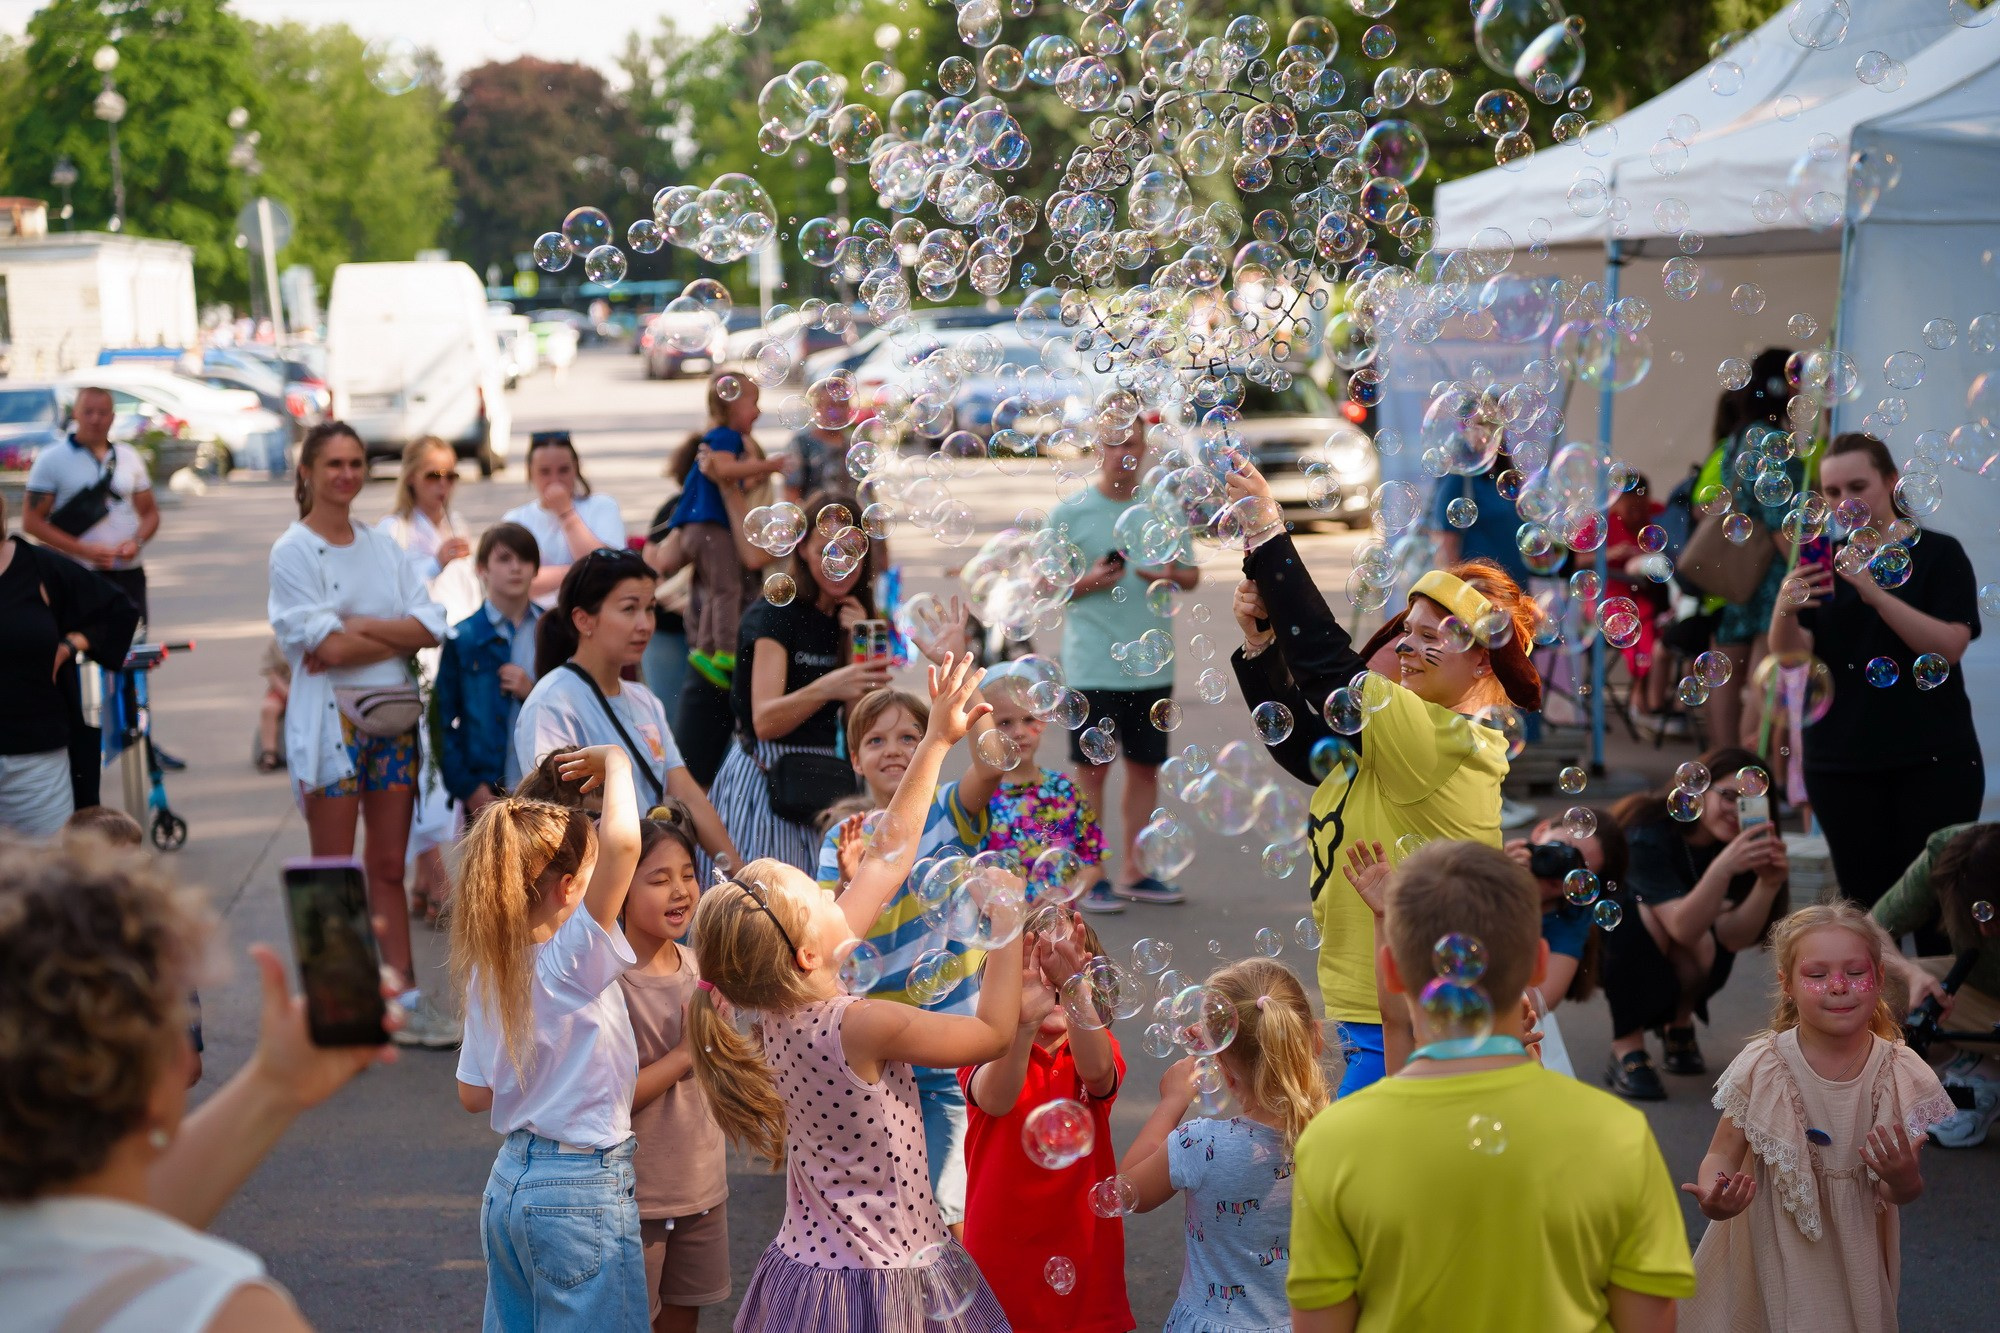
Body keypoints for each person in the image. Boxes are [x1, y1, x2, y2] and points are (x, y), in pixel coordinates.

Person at [1286, 840, 1695, 1332]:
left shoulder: (1333, 1142)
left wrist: (1382, 921)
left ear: (1392, 970)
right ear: (1539, 962)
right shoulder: (1619, 1133)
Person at [1227, 461, 1542, 1094]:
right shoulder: (1403, 734)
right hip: (1376, 1001)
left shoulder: (1446, 741)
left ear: (1481, 658)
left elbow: (1327, 665)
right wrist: (1261, 648)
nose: (1404, 647)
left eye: (1431, 637)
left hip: (1414, 1014)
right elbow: (1307, 749)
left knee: (1349, 1178)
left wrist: (1268, 533)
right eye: (1406, 632)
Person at [0, 838, 398, 1332]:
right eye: (180, 1014)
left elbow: (106, 1225)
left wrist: (275, 1084)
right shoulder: (222, 1313)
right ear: (155, 1072)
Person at [1678, 903, 1954, 1332]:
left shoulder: (1895, 1072)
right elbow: (1722, 1152)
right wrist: (1718, 1192)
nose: (1838, 986)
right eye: (1817, 974)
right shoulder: (1763, 1066)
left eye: (1855, 972)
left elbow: (1896, 1191)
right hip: (1772, 1242)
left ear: (1879, 979)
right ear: (1786, 985)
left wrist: (1903, 1178)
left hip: (1854, 1251)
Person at [267, 422, 451, 1046]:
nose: (346, 474)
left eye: (354, 463)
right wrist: (376, 632)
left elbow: (429, 625)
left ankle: (403, 995)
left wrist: (358, 625)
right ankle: (341, 1009)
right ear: (309, 473)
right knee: (333, 867)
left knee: (387, 867)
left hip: (392, 722)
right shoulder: (292, 551)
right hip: (331, 729)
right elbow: (327, 645)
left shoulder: (381, 547)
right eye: (334, 464)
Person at [451, 745, 648, 1329]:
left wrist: (540, 1077)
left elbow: (473, 1093)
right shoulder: (570, 960)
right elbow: (625, 845)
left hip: (511, 1181)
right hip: (579, 1189)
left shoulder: (494, 966)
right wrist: (616, 763)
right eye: (589, 883)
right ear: (566, 889)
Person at [815, 661, 1001, 1238]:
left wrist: (966, 695)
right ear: (854, 760)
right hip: (877, 1050)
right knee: (886, 1203)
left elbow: (993, 765)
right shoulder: (839, 839)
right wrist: (850, 881)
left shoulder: (949, 810)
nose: (892, 749)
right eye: (875, 740)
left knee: (948, 1208)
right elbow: (825, 946)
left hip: (949, 1042)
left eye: (909, 737)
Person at [1770, 431, 1984, 909]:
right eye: (1832, 492)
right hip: (1844, 760)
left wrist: (1874, 592)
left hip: (1933, 758)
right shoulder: (1822, 561)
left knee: (1938, 908)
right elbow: (1791, 657)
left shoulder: (1938, 554)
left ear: (1890, 481)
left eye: (1857, 486)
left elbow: (1949, 647)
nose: (1845, 501)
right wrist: (1783, 608)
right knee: (1864, 909)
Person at [1121, 957, 1329, 1333]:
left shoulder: (1199, 1144)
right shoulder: (1336, 1139)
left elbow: (1128, 1190)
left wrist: (1172, 1101)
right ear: (1315, 1038)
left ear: (1223, 1072)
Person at [959, 910, 1129, 1333]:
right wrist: (1023, 1025)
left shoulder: (1094, 1046)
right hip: (1001, 1255)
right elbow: (996, 1100)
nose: (1049, 986)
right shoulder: (983, 1048)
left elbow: (1098, 1074)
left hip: (1085, 1255)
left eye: (1065, 976)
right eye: (1034, 972)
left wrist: (1074, 993)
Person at [514, 549, 739, 867]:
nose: (645, 624)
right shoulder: (553, 704)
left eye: (650, 608)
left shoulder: (645, 700)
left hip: (650, 884)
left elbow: (687, 794)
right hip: (597, 893)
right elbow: (555, 821)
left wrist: (738, 873)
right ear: (583, 619)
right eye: (629, 608)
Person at [707, 490, 890, 870]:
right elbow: (765, 721)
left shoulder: (853, 616)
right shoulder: (778, 612)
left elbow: (864, 727)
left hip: (824, 781)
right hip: (765, 779)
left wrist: (859, 645)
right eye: (827, 548)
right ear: (803, 549)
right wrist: (832, 684)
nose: (838, 561)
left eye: (851, 549)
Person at [1060, 421, 1200, 905]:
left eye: (1131, 442)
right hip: (1092, 664)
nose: (1123, 451)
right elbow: (1044, 586)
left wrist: (1168, 573)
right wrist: (1089, 580)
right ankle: (1092, 875)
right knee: (1092, 772)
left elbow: (1192, 573)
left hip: (1152, 665)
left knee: (1145, 769)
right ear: (1098, 445)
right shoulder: (1071, 512)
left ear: (1144, 447)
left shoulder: (1162, 507)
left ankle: (1135, 873)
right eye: (1113, 441)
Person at [1598, 748, 1790, 1101]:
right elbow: (1683, 928)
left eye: (1749, 801)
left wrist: (1768, 883)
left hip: (1682, 942)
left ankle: (1678, 1022)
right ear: (1697, 789)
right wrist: (1725, 867)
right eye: (1728, 796)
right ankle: (1627, 1045)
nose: (1736, 810)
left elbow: (1732, 939)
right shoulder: (1647, 830)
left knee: (1709, 939)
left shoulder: (1741, 844)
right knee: (1649, 920)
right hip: (1609, 943)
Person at [21, 384, 179, 781]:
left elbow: (149, 513)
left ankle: (140, 741)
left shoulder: (128, 458)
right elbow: (32, 523)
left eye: (103, 412)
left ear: (113, 416)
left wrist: (136, 541)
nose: (96, 419)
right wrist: (83, 551)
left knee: (133, 657)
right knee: (72, 660)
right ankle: (77, 745)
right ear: (76, 413)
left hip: (127, 575)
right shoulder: (53, 460)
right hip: (77, 580)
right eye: (88, 411)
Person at [618, 802, 730, 1332]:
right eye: (659, 879)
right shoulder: (609, 982)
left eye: (688, 874)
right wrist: (687, 1053)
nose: (681, 890)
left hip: (701, 1187)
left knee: (684, 1318)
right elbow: (614, 1095)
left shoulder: (700, 969)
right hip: (633, 1198)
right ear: (618, 888)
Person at [378, 437, 482, 927]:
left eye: (450, 476)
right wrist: (433, 563)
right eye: (432, 476)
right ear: (411, 478)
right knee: (424, 770)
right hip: (418, 664)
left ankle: (429, 879)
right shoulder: (393, 531)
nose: (442, 486)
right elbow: (389, 600)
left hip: (458, 661)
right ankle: (432, 875)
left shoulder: (455, 525)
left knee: (448, 765)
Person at [0, 488, 139, 838]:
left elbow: (118, 611)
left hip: (35, 764)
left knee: (49, 882)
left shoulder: (35, 566)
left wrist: (71, 643)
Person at [1872, 822, 2000, 1147]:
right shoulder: (1949, 854)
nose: (1984, 931)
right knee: (1867, 987)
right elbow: (1870, 929)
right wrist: (1909, 974)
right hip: (1980, 995)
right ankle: (1983, 1077)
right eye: (1976, 914)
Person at [1704, 349, 1802, 752]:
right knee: (1765, 674)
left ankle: (1723, 767)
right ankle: (1750, 771)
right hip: (1771, 572)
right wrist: (1802, 569)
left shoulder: (1739, 435)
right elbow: (1779, 515)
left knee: (1728, 668)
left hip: (1739, 566)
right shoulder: (1771, 437)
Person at [666, 373, 785, 690]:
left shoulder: (718, 441)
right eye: (754, 404)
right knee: (726, 589)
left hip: (696, 529)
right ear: (732, 406)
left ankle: (707, 650)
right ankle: (724, 652)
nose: (759, 412)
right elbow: (729, 471)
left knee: (715, 587)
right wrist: (768, 466)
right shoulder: (725, 438)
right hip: (708, 528)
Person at [977, 666, 1108, 910]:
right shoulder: (979, 796)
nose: (1019, 732)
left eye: (1028, 720)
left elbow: (1093, 865)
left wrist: (1065, 892)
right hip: (1000, 933)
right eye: (1004, 723)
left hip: (1057, 930)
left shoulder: (1064, 789)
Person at [436, 523, 542, 817]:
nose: (516, 568)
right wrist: (470, 789)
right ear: (482, 568)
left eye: (524, 559)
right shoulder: (464, 637)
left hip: (542, 788)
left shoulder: (552, 630)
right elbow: (440, 722)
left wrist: (531, 692)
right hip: (486, 790)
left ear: (536, 568)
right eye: (504, 559)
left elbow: (571, 706)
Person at [502, 431, 626, 608]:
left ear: (576, 468)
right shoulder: (515, 519)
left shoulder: (603, 506)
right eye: (545, 472)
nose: (555, 480)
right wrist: (580, 571)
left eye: (564, 470)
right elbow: (515, 583)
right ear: (530, 473)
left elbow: (609, 570)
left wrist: (566, 514)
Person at [784, 418, 854, 503]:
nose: (835, 412)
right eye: (830, 405)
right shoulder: (802, 442)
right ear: (818, 408)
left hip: (849, 511)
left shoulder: (851, 443)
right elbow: (792, 487)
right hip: (812, 512)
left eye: (842, 405)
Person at [255, 637, 291, 774]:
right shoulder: (278, 642)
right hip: (284, 687)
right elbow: (271, 672)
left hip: (310, 690)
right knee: (268, 708)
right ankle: (269, 753)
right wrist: (286, 691)